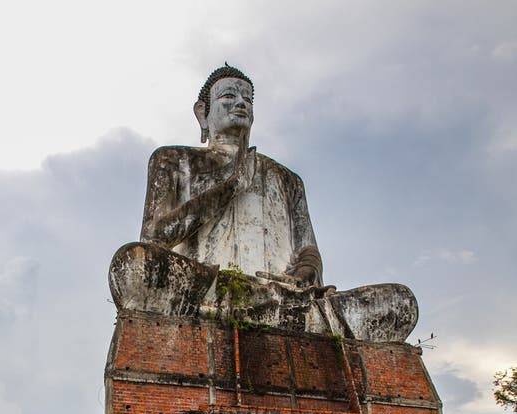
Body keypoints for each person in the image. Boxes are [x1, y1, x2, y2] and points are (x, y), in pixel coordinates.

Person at [109, 64, 417, 341]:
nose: (241, 103)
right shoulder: (173, 160)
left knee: (400, 302)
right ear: (202, 112)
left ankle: (276, 312)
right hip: (211, 288)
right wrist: (230, 185)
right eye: (228, 96)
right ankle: (266, 312)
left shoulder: (286, 179)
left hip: (284, 298)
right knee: (133, 266)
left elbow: (308, 251)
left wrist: (303, 274)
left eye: (248, 100)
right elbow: (155, 238)